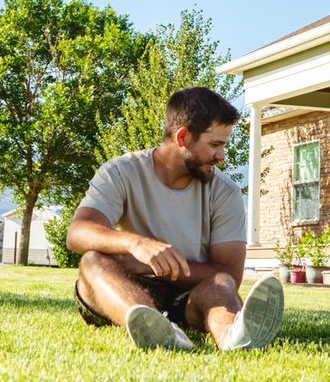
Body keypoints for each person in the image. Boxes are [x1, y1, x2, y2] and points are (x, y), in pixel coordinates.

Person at [67, 86, 283, 351]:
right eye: (215, 144)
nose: (222, 156)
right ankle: (158, 329)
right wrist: (136, 245)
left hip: (189, 295)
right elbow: (77, 232)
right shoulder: (121, 172)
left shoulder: (224, 192)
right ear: (182, 137)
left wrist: (156, 266)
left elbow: (229, 273)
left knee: (221, 284)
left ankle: (234, 337)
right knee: (92, 261)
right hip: (122, 290)